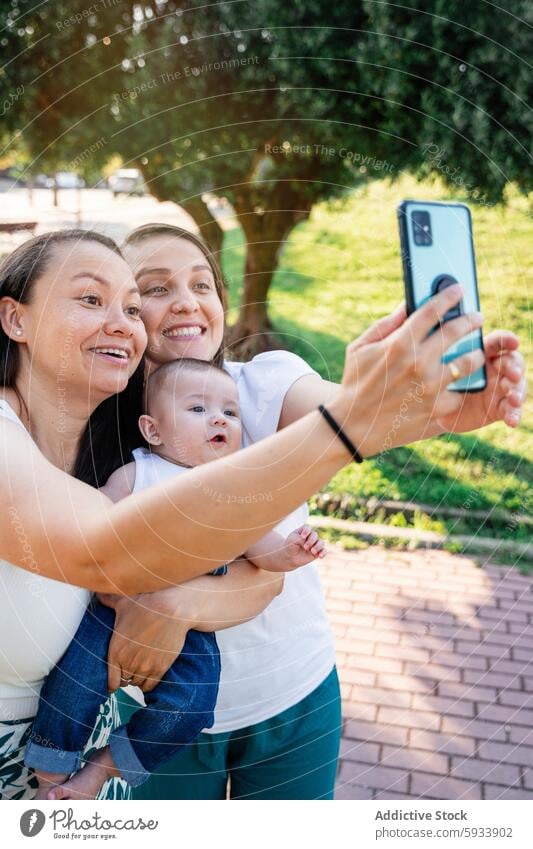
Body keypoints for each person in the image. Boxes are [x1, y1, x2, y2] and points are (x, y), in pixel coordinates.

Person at [3, 227, 476, 798]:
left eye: (202, 284)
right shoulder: (107, 427)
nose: (183, 300)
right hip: (140, 708)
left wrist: (420, 406)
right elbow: (104, 553)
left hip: (286, 691)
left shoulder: (260, 386)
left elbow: (266, 576)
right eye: (151, 290)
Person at [25, 358, 326, 800]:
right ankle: (51, 770)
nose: (220, 418)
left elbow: (266, 553)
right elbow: (92, 522)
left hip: (193, 635)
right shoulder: (138, 473)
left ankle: (103, 768)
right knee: (72, 685)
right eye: (198, 409)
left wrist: (293, 550)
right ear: (152, 430)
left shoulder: (236, 491)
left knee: (192, 707)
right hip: (111, 615)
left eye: (230, 411)